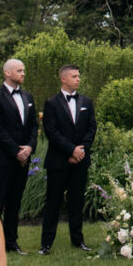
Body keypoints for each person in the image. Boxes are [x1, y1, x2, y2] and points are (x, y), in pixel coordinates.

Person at [40, 63, 97, 255]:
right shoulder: (51, 103)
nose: (78, 79)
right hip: (58, 160)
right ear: (63, 79)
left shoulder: (87, 103)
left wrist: (82, 150)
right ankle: (46, 243)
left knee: (76, 202)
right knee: (53, 202)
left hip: (80, 160)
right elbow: (52, 132)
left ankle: (78, 240)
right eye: (74, 76)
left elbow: (91, 129)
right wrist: (71, 150)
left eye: (79, 76)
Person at [0, 59, 38, 254]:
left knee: (15, 202)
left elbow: (34, 126)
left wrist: (29, 148)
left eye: (24, 70)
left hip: (23, 159)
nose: (23, 74)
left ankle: (11, 242)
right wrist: (17, 150)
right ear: (7, 73)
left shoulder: (28, 96)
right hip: (3, 159)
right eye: (19, 70)